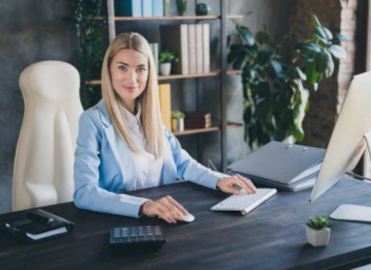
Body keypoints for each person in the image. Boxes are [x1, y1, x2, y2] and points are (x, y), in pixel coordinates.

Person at [73, 32, 256, 224]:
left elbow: (183, 164)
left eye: (140, 69)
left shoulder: (150, 117)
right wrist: (143, 206)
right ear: (109, 70)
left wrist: (219, 180)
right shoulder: (92, 121)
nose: (132, 78)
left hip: (165, 215)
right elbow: (84, 192)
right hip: (121, 221)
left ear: (149, 72)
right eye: (122, 68)